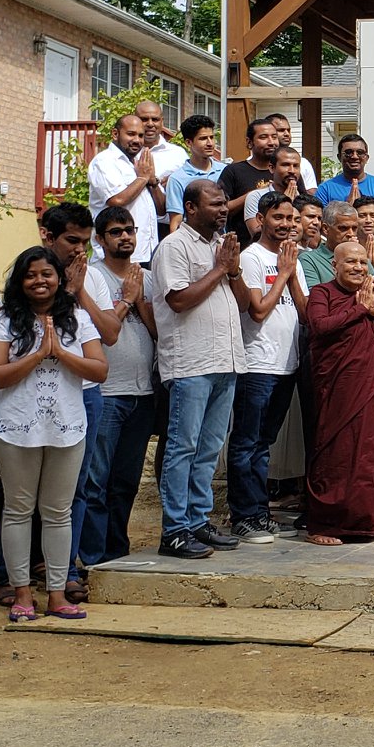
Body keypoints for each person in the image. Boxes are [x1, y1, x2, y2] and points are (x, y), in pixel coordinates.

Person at [0, 247, 106, 622]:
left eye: (47, 274)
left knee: (58, 513)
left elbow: (99, 370)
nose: (40, 281)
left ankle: (56, 594)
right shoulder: (7, 320)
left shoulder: (78, 318)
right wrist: (37, 355)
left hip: (66, 428)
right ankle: (22, 594)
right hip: (15, 429)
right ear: (20, 281)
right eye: (31, 274)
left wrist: (60, 353)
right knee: (18, 510)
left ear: (59, 278)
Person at [153, 179, 251, 558]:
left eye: (225, 203)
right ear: (191, 208)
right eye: (214, 204)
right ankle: (174, 530)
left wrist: (233, 270)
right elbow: (178, 300)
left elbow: (243, 304)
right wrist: (219, 269)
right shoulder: (174, 246)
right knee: (183, 447)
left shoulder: (221, 246)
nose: (223, 209)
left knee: (209, 449)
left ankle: (197, 521)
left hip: (226, 360)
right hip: (191, 363)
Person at [29, 203, 121, 604]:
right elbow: (29, 326)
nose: (79, 250)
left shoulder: (92, 277)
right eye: (71, 241)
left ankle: (63, 568)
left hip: (84, 392)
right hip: (33, 392)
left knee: (76, 486)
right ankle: (9, 569)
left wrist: (80, 289)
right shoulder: (31, 271)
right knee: (21, 491)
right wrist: (65, 290)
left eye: (85, 242)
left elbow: (110, 333)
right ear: (48, 236)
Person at [303, 242, 374, 543]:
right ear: (334, 266)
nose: (358, 267)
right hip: (340, 387)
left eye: (362, 262)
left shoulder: (373, 293)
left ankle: (366, 520)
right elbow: (320, 326)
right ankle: (325, 525)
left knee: (370, 452)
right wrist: (359, 309)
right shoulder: (322, 293)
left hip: (372, 386)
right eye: (350, 262)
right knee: (338, 450)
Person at [228, 192, 308, 543]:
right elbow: (257, 310)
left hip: (286, 364)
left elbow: (305, 312)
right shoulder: (251, 258)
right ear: (261, 220)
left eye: (291, 218)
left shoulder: (292, 258)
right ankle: (243, 517)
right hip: (257, 363)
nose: (287, 224)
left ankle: (260, 514)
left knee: (263, 444)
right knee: (246, 443)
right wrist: (284, 272)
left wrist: (291, 273)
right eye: (279, 217)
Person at [86, 205, 158, 565]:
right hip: (107, 392)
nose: (125, 237)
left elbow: (159, 332)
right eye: (116, 232)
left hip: (142, 393)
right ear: (100, 239)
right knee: (96, 481)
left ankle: (116, 551)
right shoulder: (91, 276)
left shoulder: (147, 276)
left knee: (126, 481)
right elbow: (103, 333)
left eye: (129, 230)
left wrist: (139, 298)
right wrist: (127, 299)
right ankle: (93, 556)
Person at [87, 112, 161, 264]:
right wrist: (142, 178)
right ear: (115, 134)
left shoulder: (140, 163)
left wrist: (153, 182)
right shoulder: (105, 161)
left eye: (141, 136)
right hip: (115, 257)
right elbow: (116, 200)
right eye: (131, 134)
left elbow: (162, 210)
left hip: (147, 253)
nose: (137, 140)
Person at [219, 116, 283, 244]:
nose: (271, 142)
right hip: (243, 246)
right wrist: (253, 194)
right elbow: (222, 208)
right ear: (249, 142)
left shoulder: (285, 171)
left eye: (274, 137)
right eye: (263, 137)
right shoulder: (233, 171)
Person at [316, 133, 374, 219]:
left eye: (360, 152)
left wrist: (366, 213)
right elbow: (318, 218)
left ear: (366, 158)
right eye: (348, 152)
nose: (354, 156)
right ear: (339, 157)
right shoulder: (325, 189)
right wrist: (347, 209)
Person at [165, 114, 226, 234]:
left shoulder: (225, 170)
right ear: (189, 142)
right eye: (203, 139)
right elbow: (176, 222)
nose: (210, 143)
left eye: (212, 137)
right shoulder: (177, 179)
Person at [303, 200, 358, 289]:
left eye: (354, 228)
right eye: (343, 228)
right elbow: (315, 295)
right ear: (325, 228)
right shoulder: (309, 259)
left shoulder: (360, 256)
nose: (351, 234)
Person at [136, 100, 189, 190]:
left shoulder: (178, 154)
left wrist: (176, 180)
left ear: (162, 122)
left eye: (155, 119)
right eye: (144, 119)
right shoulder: (124, 154)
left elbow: (191, 184)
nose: (150, 124)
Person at [266, 111, 320, 188]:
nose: (287, 134)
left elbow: (311, 192)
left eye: (288, 130)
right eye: (281, 130)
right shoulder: (255, 164)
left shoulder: (304, 163)